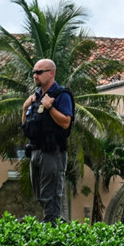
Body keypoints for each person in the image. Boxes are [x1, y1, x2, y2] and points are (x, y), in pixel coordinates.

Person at [21, 58, 74, 224]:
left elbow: (66, 122)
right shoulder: (35, 98)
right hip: (35, 151)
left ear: (51, 73)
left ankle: (53, 231)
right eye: (33, 73)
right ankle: (52, 226)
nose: (35, 76)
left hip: (52, 152)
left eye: (39, 72)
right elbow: (26, 127)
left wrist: (50, 107)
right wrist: (24, 108)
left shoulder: (61, 95)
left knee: (51, 196)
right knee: (41, 196)